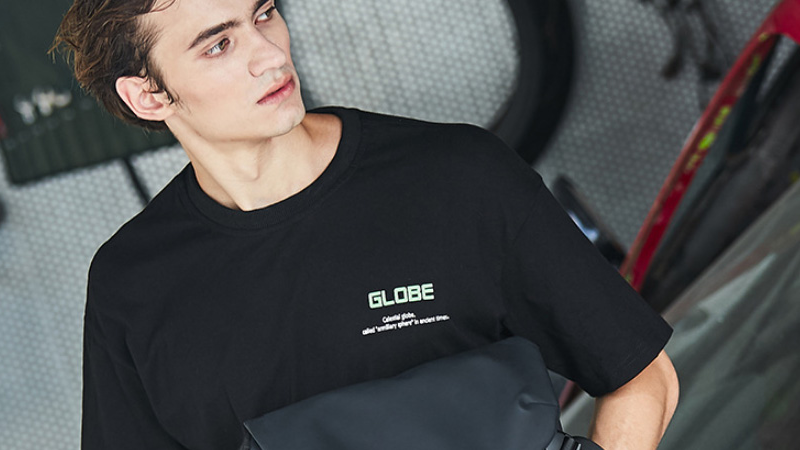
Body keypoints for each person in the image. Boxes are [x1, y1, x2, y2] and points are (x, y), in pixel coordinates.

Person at [53, 0, 679, 449]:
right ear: (149, 96)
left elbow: (641, 375)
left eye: (264, 14)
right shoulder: (132, 283)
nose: (269, 55)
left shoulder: (455, 178)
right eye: (219, 44)